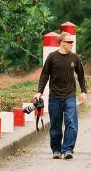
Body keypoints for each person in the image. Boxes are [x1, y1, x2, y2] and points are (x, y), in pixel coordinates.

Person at [35, 32, 87, 160]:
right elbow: (44, 75)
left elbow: (81, 75)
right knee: (55, 125)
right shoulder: (52, 57)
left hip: (70, 96)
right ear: (62, 43)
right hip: (55, 97)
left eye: (72, 42)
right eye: (69, 42)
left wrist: (83, 91)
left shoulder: (74, 58)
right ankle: (56, 150)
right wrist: (39, 92)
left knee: (71, 123)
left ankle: (68, 149)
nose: (71, 44)